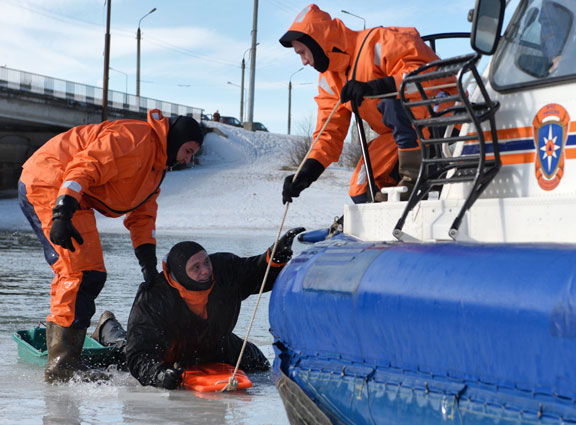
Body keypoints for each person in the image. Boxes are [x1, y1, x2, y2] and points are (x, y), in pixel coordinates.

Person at [17, 109, 204, 383]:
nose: (189, 159)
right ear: (176, 140)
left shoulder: (156, 167)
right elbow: (85, 165)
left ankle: (69, 351)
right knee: (79, 273)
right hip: (49, 183)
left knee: (88, 274)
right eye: (188, 151)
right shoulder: (134, 139)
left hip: (73, 196)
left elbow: (142, 215)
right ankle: (63, 365)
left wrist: (148, 267)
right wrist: (62, 210)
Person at [90, 228, 305, 389]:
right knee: (124, 351)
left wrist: (275, 258)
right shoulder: (153, 297)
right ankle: (107, 327)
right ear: (180, 274)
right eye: (196, 267)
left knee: (260, 363)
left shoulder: (223, 269)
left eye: (206, 262)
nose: (205, 270)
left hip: (215, 344)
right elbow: (139, 354)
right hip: (167, 352)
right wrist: (157, 375)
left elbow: (257, 272)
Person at [279, 4, 452, 203]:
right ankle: (391, 218)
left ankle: (414, 180)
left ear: (318, 42)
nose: (303, 61)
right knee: (362, 187)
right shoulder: (330, 80)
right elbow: (329, 133)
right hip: (400, 136)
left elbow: (429, 76)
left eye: (302, 52)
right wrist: (306, 173)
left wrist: (376, 87)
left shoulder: (379, 41)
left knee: (391, 99)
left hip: (443, 120)